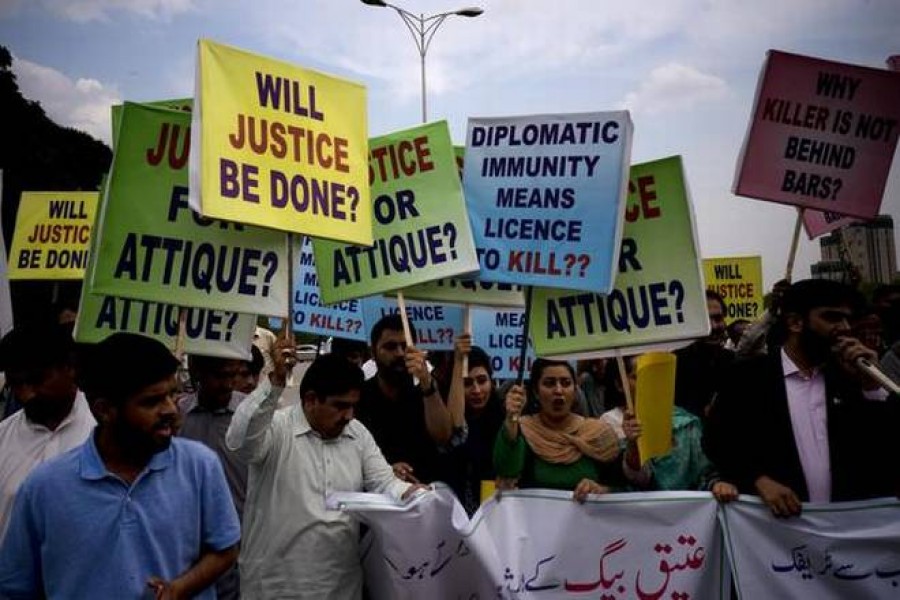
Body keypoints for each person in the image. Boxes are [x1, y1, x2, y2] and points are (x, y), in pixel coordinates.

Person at [0, 332, 240, 598]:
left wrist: (179, 589)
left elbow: (225, 548)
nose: (171, 410)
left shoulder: (200, 466)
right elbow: (16, 587)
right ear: (104, 409)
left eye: (172, 395)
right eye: (152, 401)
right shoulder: (43, 488)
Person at [225, 339, 425, 599]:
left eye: (353, 406)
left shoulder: (357, 434)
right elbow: (240, 442)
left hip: (341, 589)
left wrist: (414, 494)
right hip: (275, 589)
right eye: (340, 406)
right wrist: (274, 382)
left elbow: (385, 483)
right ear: (310, 400)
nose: (349, 415)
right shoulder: (276, 430)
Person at [704, 279, 900, 517]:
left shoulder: (850, 379)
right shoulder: (748, 378)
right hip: (778, 532)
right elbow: (719, 443)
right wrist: (758, 479)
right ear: (796, 323)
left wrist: (870, 385)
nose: (845, 328)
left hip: (847, 531)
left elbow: (883, 451)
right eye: (832, 318)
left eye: (847, 319)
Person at [0, 323, 95, 540]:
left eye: (36, 380)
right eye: (15, 384)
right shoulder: (2, 438)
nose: (26, 395)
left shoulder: (106, 435)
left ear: (70, 368)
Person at [605, 356, 738, 501]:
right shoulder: (611, 424)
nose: (648, 383)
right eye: (638, 377)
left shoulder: (687, 424)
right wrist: (633, 444)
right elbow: (636, 482)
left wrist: (718, 485)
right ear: (620, 385)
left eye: (653, 376)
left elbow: (706, 474)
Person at [494, 359, 622, 502]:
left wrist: (601, 491)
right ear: (536, 392)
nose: (558, 390)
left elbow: (625, 490)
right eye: (549, 383)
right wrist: (512, 417)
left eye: (566, 383)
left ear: (575, 390)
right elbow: (506, 471)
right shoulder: (524, 430)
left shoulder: (597, 433)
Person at [178, 354, 249, 600]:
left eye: (233, 375)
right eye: (220, 376)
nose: (228, 383)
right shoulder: (177, 416)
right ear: (198, 374)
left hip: (244, 544)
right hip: (190, 544)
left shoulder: (252, 416)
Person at [355, 314, 453, 485]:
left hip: (424, 497)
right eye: (391, 347)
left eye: (405, 346)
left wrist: (427, 383)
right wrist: (385, 472)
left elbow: (443, 435)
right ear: (373, 352)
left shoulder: (428, 392)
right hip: (376, 499)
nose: (400, 353)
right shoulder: (359, 398)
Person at [445, 336, 505, 515]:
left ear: (492, 381)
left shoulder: (503, 420)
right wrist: (457, 363)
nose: (477, 390)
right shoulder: (446, 422)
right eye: (467, 383)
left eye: (482, 380)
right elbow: (455, 427)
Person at [673, 290, 735, 419]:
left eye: (718, 318)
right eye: (705, 320)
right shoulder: (674, 365)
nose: (713, 326)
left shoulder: (734, 362)